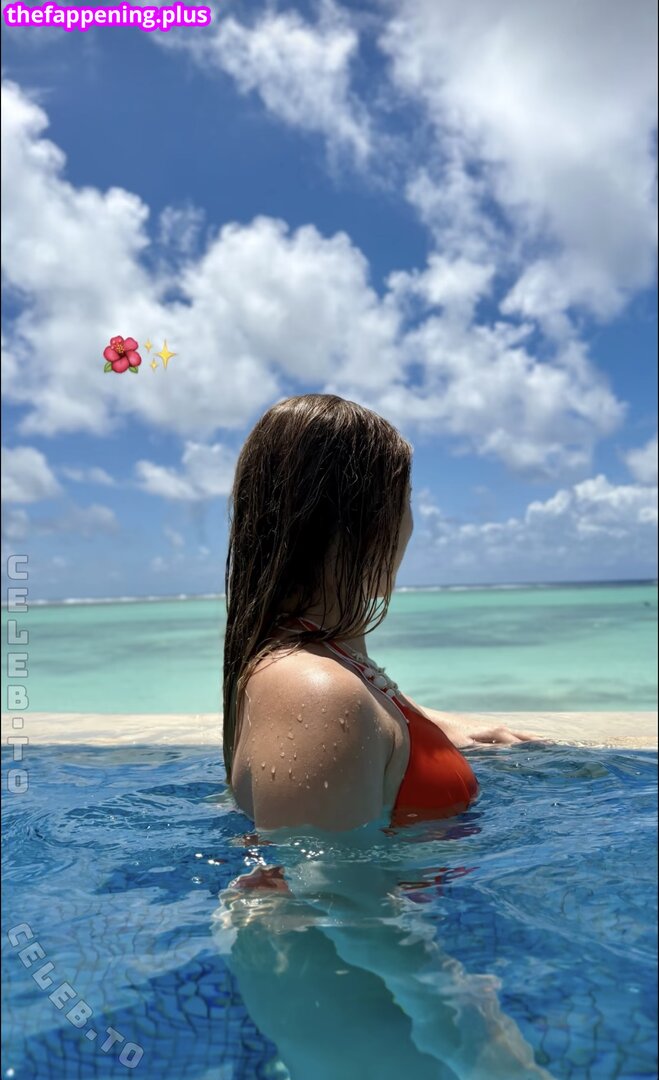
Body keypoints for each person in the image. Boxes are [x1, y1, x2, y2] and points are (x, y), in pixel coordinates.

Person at [223, 394, 538, 832]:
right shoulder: (318, 695)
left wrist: (430, 726)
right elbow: (310, 879)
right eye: (405, 500)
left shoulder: (327, 663)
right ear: (368, 524)